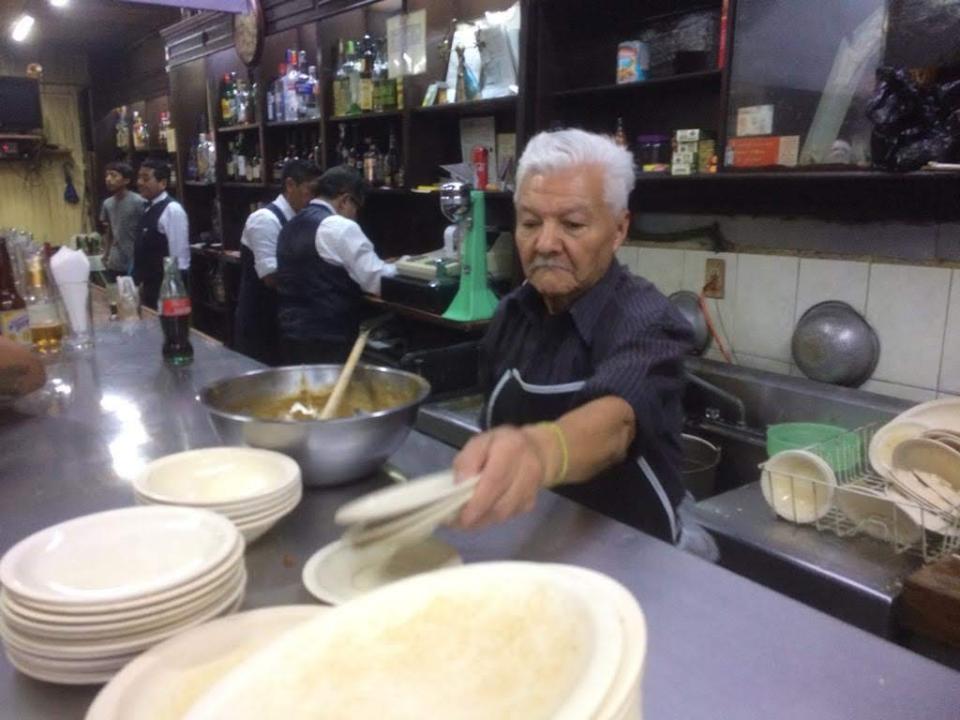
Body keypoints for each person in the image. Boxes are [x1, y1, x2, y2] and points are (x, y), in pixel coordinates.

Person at [452, 128, 714, 557]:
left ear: (618, 229)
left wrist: (540, 450)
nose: (546, 243)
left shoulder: (645, 319)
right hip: (541, 545)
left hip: (639, 558)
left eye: (572, 224)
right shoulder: (511, 316)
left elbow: (616, 424)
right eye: (530, 222)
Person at [275, 166, 397, 364]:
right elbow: (377, 282)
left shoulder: (291, 223)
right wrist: (406, 267)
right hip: (328, 338)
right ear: (345, 200)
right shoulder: (340, 226)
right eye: (356, 207)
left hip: (290, 333)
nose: (355, 215)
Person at [235, 160, 321, 365]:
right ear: (290, 185)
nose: (314, 199)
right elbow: (272, 278)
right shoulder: (264, 219)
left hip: (289, 324)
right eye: (311, 191)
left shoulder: (305, 219)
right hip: (261, 323)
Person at [134, 159, 189, 310]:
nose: (139, 182)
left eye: (145, 178)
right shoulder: (148, 207)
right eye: (138, 177)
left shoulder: (172, 210)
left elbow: (180, 260)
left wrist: (174, 298)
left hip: (165, 292)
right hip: (149, 289)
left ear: (163, 183)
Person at [99, 161, 143, 281]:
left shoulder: (138, 201)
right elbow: (109, 231)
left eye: (113, 175)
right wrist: (106, 253)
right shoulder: (107, 203)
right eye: (107, 175)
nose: (108, 179)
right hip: (115, 260)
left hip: (135, 259)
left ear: (126, 180)